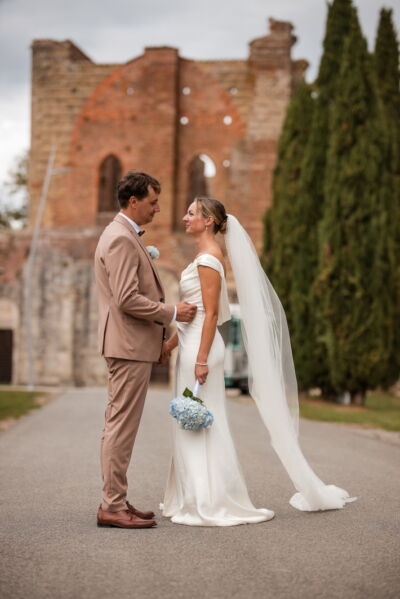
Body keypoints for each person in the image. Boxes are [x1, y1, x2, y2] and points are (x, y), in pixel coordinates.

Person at [161, 197, 356, 526]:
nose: (184, 218)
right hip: (193, 345)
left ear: (209, 221)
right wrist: (171, 343)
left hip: (202, 350)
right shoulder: (203, 256)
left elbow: (210, 317)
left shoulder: (209, 259)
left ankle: (210, 499)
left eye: (191, 213)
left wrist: (202, 359)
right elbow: (192, 312)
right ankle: (192, 495)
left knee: (204, 423)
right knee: (194, 422)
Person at [94, 171, 197, 529]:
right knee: (120, 426)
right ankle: (112, 505)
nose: (157, 208)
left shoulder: (123, 235)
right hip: (127, 344)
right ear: (133, 201)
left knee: (119, 425)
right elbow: (125, 299)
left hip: (131, 343)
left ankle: (116, 500)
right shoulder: (121, 238)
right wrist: (172, 312)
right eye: (152, 202)